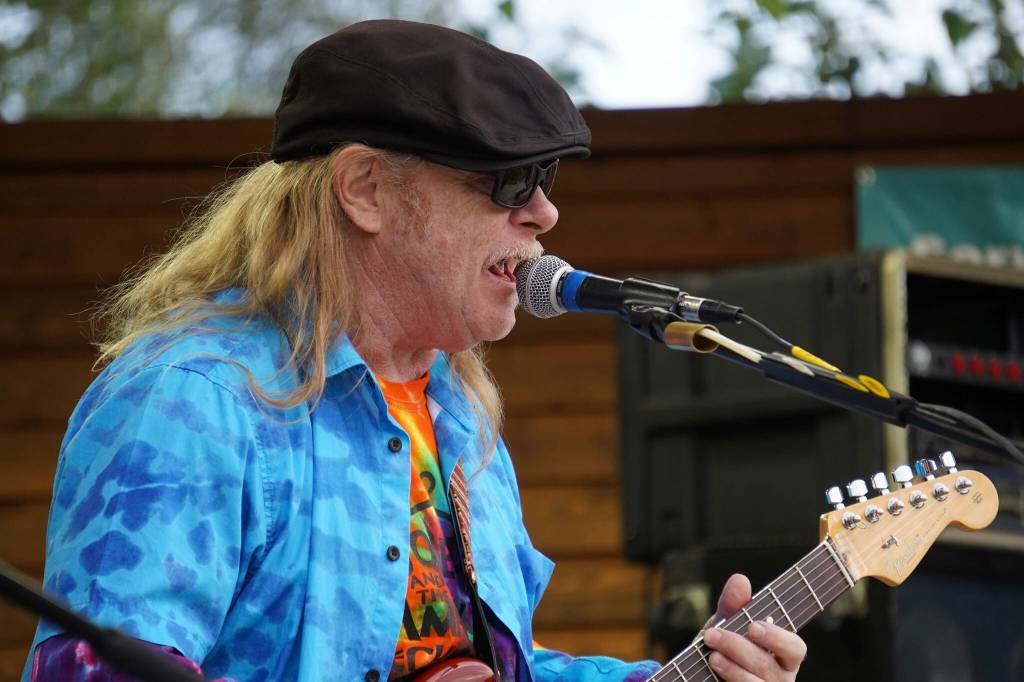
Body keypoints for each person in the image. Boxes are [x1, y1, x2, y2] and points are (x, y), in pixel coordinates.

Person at [24, 19, 806, 682]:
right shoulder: (194, 399)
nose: (545, 211)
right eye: (509, 179)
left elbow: (491, 663)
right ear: (365, 188)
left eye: (546, 179)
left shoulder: (461, 418)